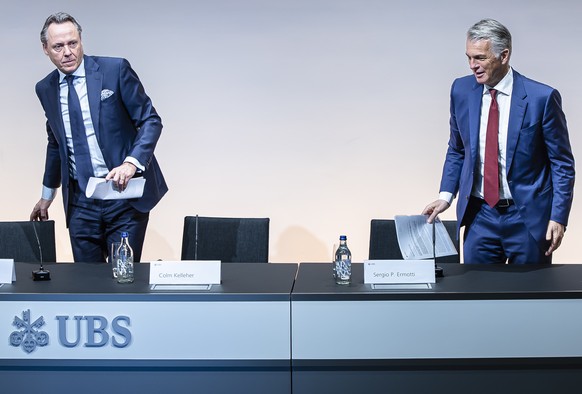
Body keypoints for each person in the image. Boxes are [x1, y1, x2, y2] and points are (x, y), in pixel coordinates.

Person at [422, 18, 575, 264]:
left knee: (529, 297)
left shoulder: (542, 98)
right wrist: (445, 196)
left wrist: (558, 216)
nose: (473, 66)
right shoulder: (460, 90)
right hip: (480, 216)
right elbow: (457, 149)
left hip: (526, 219)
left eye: (480, 58)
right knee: (477, 297)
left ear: (504, 56)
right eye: (469, 57)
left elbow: (562, 164)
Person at [30, 12, 168, 262]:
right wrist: (47, 194)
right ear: (45, 49)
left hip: (123, 196)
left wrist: (131, 163)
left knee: (122, 279)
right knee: (86, 284)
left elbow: (150, 120)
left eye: (72, 43)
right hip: (81, 202)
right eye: (58, 46)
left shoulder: (114, 70)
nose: (67, 52)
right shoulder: (45, 88)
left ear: (81, 40)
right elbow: (55, 142)